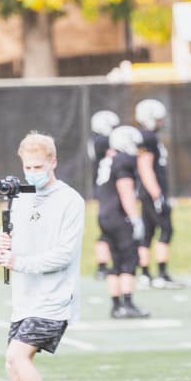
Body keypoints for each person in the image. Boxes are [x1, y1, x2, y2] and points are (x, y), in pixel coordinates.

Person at [0, 131, 85, 381]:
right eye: (27, 166)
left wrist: (21, 262)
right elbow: (1, 244)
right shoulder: (22, 195)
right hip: (24, 300)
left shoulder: (70, 201)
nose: (32, 172)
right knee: (12, 363)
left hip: (54, 298)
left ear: (53, 162)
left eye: (38, 165)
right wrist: (0, 250)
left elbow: (64, 255)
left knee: (18, 356)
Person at [97, 125, 150, 318]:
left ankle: (116, 305)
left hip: (105, 215)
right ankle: (127, 304)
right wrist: (136, 219)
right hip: (120, 216)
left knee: (116, 262)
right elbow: (125, 191)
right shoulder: (124, 160)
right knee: (129, 261)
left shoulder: (108, 160)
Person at [135, 98, 182, 289]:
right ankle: (161, 274)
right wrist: (157, 194)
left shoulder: (145, 136)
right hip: (152, 192)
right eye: (159, 119)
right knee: (166, 229)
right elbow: (145, 166)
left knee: (148, 232)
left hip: (147, 192)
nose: (162, 122)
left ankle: (145, 273)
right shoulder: (148, 138)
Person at [87, 109, 120, 280]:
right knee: (108, 228)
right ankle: (104, 265)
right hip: (107, 189)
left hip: (102, 189)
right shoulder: (102, 141)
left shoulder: (97, 140)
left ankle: (104, 265)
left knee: (106, 228)